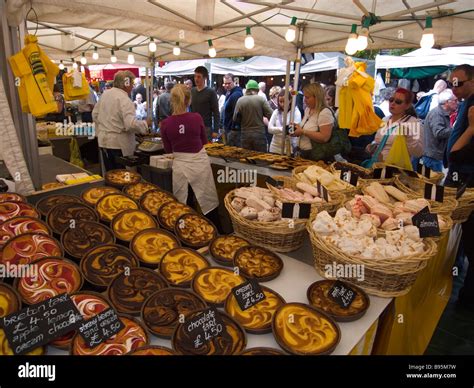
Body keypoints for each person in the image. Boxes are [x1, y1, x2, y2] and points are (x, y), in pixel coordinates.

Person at [160, 84, 221, 232]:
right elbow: (204, 141)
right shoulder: (196, 117)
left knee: (184, 203)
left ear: (172, 101)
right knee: (208, 201)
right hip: (199, 164)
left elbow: (168, 149)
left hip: (180, 167)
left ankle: (186, 232)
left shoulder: (165, 124)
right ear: (188, 101)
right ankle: (215, 231)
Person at [444, 64, 474, 311]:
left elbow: (455, 154)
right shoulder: (466, 102)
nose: (454, 88)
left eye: (459, 83)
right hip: (460, 177)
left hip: (466, 180)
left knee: (467, 234)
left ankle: (466, 298)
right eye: (451, 83)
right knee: (458, 233)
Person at [92, 70, 150, 171]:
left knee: (111, 175)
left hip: (103, 142)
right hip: (118, 145)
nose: (132, 86)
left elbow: (95, 115)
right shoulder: (124, 99)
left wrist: (106, 126)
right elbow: (130, 124)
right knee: (122, 176)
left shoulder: (105, 95)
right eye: (132, 83)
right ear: (126, 84)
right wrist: (145, 123)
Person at [367, 88, 423, 163]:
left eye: (398, 102)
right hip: (376, 166)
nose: (393, 103)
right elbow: (378, 141)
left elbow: (418, 153)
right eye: (391, 100)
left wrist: (409, 137)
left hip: (396, 170)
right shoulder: (384, 120)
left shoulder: (413, 123)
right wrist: (372, 146)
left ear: (407, 106)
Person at [291, 83, 335, 161]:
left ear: (317, 97)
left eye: (307, 97)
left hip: (316, 156)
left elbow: (324, 138)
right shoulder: (308, 109)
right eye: (304, 96)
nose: (304, 100)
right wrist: (297, 127)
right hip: (302, 152)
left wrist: (303, 131)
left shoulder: (324, 112)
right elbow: (307, 127)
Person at [421, 89, 457, 172]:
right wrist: (455, 130)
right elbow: (439, 133)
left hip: (435, 156)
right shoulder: (437, 114)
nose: (457, 102)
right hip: (433, 157)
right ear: (447, 102)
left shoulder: (441, 113)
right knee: (433, 183)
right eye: (455, 100)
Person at [233, 80, 273, 152]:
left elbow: (235, 118)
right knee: (261, 158)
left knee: (247, 159)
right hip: (259, 134)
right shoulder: (261, 99)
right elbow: (271, 114)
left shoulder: (240, 100)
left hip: (245, 135)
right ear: (257, 90)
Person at [191, 66, 220, 140]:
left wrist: (216, 130)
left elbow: (216, 112)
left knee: (205, 149)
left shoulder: (211, 92)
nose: (196, 79)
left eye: (199, 77)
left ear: (204, 78)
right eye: (195, 76)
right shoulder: (192, 91)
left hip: (206, 128)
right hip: (193, 126)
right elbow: (190, 109)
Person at [268, 89, 301, 154]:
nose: (282, 104)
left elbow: (293, 131)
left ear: (290, 100)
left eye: (285, 101)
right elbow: (269, 129)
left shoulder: (296, 112)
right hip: (274, 147)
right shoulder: (276, 112)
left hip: (289, 148)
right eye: (280, 101)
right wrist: (282, 129)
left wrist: (276, 130)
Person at [221, 73, 243, 147]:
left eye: (229, 83)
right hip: (229, 128)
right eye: (225, 84)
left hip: (233, 130)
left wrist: (233, 127)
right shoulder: (229, 92)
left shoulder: (236, 94)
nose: (227, 85)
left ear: (234, 82)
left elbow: (237, 113)